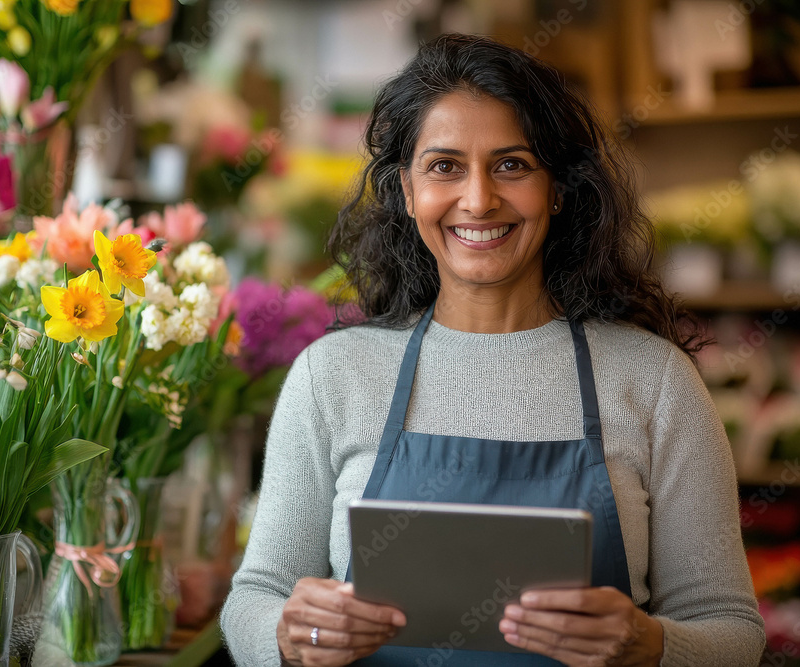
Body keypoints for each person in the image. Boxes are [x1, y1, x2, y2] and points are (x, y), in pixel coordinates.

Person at [221, 33, 766, 666]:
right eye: (445, 166)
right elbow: (253, 599)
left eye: (512, 164)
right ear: (406, 191)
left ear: (558, 189)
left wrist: (652, 646)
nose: (478, 199)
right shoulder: (332, 377)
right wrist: (288, 636)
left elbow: (731, 629)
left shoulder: (653, 381)